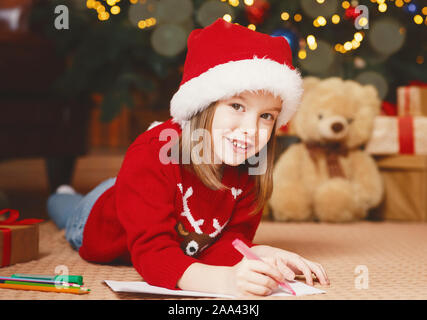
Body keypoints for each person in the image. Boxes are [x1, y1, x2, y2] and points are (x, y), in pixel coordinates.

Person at [47, 18, 329, 297]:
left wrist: (257, 253)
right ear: (203, 104)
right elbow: (153, 255)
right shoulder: (154, 152)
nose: (251, 131)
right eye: (237, 106)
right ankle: (61, 193)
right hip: (98, 219)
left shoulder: (252, 163)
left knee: (130, 189)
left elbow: (223, 241)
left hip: (143, 189)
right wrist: (225, 282)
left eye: (266, 116)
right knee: (67, 207)